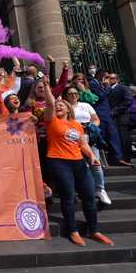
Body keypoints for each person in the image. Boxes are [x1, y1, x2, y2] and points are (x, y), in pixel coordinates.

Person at [43, 76, 114, 247]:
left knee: (89, 196)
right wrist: (46, 85)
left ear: (68, 109)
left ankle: (94, 229)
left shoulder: (76, 125)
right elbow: (51, 104)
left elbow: (82, 144)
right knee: (68, 196)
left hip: (79, 162)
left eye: (62, 105)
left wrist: (92, 156)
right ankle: (73, 231)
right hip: (58, 162)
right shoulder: (52, 121)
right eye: (57, 105)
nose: (58, 106)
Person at [63, 86, 111, 205]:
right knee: (80, 165)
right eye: (70, 93)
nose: (73, 95)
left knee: (96, 164)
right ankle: (83, 189)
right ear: (66, 96)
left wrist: (91, 127)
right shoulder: (65, 107)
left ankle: (100, 189)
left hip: (88, 136)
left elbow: (96, 119)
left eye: (75, 93)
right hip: (72, 138)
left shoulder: (86, 105)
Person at [88, 69, 130, 167]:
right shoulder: (93, 83)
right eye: (106, 77)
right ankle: (99, 159)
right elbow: (100, 96)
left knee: (113, 136)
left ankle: (117, 158)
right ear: (99, 75)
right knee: (100, 137)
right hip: (100, 114)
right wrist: (107, 87)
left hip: (108, 114)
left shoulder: (105, 85)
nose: (108, 80)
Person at [107, 73, 134, 165]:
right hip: (110, 119)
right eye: (107, 78)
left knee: (124, 139)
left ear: (116, 79)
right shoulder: (106, 89)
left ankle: (126, 159)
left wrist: (115, 111)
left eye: (111, 78)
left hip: (121, 118)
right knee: (114, 139)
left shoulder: (123, 88)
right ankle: (115, 159)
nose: (109, 80)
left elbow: (128, 100)